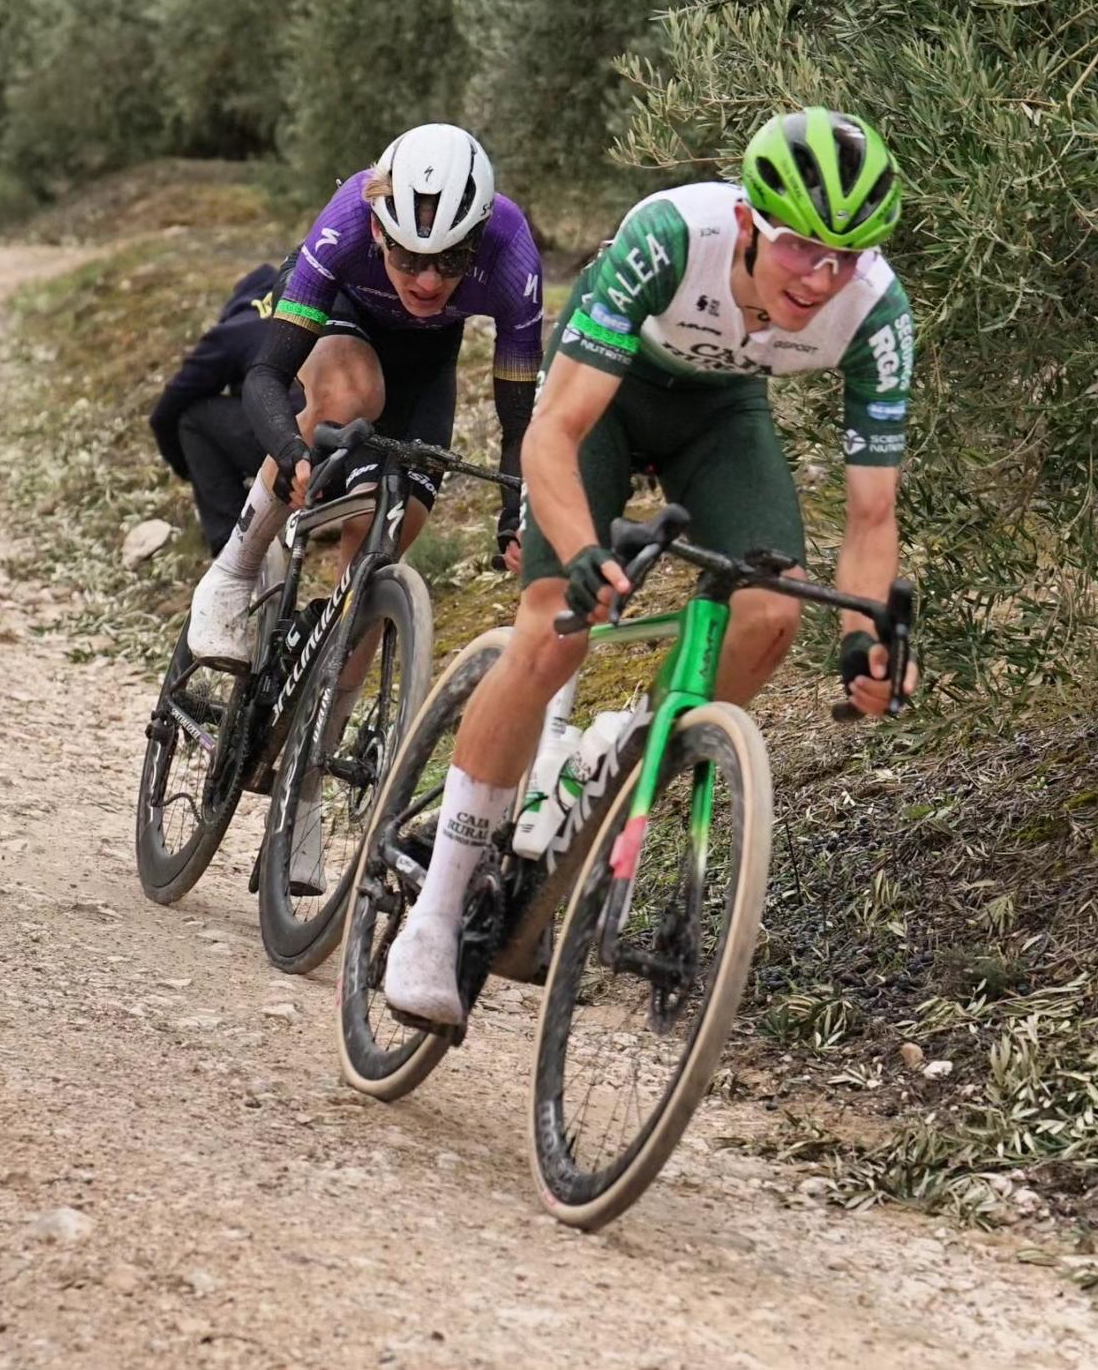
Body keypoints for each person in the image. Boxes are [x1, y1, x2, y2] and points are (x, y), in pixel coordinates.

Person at [383, 107, 920, 1026]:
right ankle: (437, 908)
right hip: (606, 398)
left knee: (771, 614)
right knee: (555, 629)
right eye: (800, 247)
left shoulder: (876, 312)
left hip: (721, 414)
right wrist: (582, 554)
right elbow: (553, 434)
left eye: (845, 256)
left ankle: (629, 744)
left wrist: (865, 641)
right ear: (748, 222)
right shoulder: (672, 237)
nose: (820, 278)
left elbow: (872, 513)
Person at [186, 122, 543, 664]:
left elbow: (520, 425)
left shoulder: (512, 256)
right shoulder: (350, 220)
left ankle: (331, 707)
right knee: (353, 391)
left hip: (426, 352)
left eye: (451, 260)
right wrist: (289, 448)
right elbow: (266, 375)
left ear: (477, 238)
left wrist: (516, 514)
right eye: (408, 258)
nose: (428, 281)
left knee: (386, 535)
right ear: (379, 231)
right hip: (340, 309)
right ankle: (233, 571)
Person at [149, 264, 278, 555]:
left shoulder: (236, 330)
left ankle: (232, 545)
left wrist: (192, 471)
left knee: (193, 419)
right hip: (354, 447)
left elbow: (166, 413)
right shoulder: (318, 306)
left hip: (292, 449)